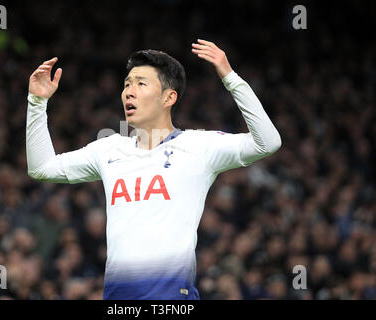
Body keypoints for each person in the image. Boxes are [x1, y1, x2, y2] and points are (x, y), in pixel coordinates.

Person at [26, 39, 282, 300]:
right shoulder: (108, 149)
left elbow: (267, 142)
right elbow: (42, 168)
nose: (129, 91)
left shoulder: (198, 146)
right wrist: (36, 101)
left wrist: (230, 77)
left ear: (168, 97)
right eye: (127, 84)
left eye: (141, 83)